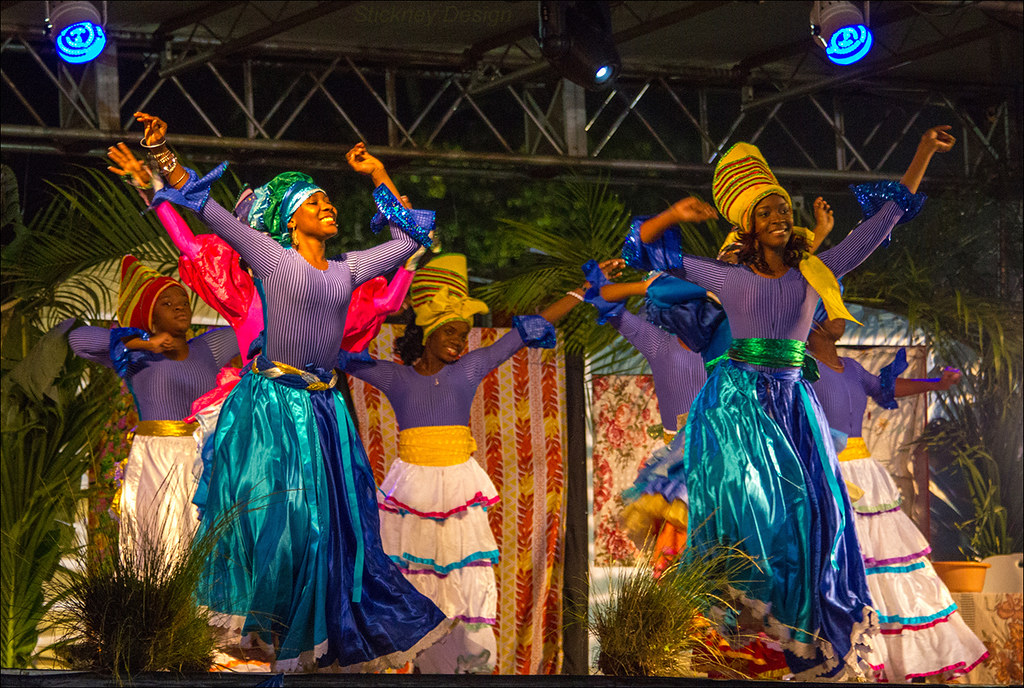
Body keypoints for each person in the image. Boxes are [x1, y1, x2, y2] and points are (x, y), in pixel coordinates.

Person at [635, 125, 956, 678]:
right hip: (736, 408)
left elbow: (884, 222)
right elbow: (642, 250)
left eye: (783, 207)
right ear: (748, 227)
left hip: (794, 404)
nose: (780, 217)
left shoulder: (817, 271)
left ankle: (798, 644)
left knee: (820, 522)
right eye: (766, 212)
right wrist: (673, 216)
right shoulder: (727, 276)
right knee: (752, 522)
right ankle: (733, 644)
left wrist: (922, 152)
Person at [140, 113, 450, 671]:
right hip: (269, 407)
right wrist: (163, 155)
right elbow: (199, 202)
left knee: (331, 529)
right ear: (288, 219)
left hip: (325, 409)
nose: (328, 207)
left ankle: (309, 636)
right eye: (315, 202)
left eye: (331, 201)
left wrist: (378, 171)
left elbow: (409, 236)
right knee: (276, 522)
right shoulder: (268, 255)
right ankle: (260, 633)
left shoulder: (349, 269)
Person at [341, 254, 619, 673]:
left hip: (458, 490)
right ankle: (413, 664)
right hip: (412, 494)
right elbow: (335, 355)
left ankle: (466, 672)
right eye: (450, 332)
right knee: (411, 585)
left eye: (464, 333)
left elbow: (526, 332)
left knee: (463, 587)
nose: (459, 341)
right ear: (427, 332)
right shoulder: (397, 378)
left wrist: (580, 292)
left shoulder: (469, 369)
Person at [808, 313, 989, 682]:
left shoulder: (852, 368)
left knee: (886, 565)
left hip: (865, 475)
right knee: (842, 561)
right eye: (829, 310)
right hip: (826, 472)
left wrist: (936, 384)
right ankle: (848, 655)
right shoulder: (799, 368)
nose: (840, 318)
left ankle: (896, 658)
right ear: (811, 319)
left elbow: (886, 389)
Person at [68, 256, 238, 565]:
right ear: (150, 317)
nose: (179, 306)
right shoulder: (136, 358)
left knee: (206, 548)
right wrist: (143, 344)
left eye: (183, 300)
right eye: (166, 303)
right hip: (157, 457)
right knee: (162, 548)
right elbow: (78, 340)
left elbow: (256, 327)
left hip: (206, 456)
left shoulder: (208, 348)